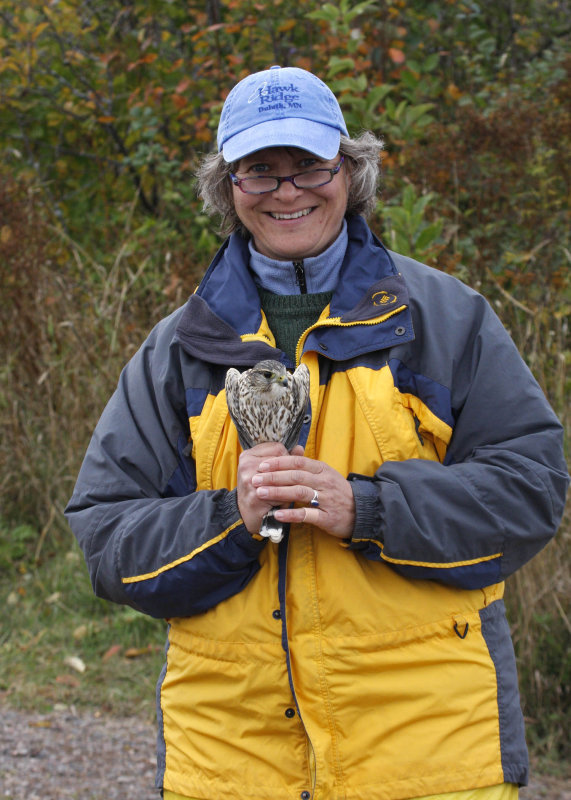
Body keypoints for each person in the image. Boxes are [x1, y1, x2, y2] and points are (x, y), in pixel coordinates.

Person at [65, 65, 569, 800]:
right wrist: (227, 521)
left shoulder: (446, 318)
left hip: (430, 757)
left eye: (308, 166)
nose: (287, 190)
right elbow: (106, 538)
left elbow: (531, 493)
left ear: (350, 170)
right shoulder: (178, 349)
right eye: (259, 171)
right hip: (229, 764)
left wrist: (367, 509)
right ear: (227, 186)